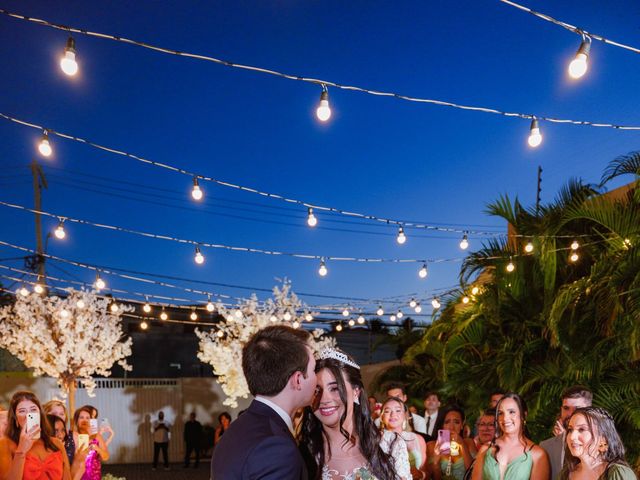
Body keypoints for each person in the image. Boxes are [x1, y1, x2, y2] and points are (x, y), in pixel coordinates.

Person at [211, 325, 318, 479]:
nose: (317, 379)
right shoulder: (276, 448)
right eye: (314, 370)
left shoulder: (238, 427)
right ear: (298, 380)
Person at [300, 348, 410, 480]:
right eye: (316, 390)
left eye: (335, 388)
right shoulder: (303, 453)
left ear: (356, 392)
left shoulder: (390, 445)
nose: (324, 399)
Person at [0, 390, 86, 480]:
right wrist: (21, 450)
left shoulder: (56, 443)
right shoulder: (5, 444)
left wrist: (77, 463)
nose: (28, 415)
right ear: (15, 419)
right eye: (22, 411)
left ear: (40, 414)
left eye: (33, 410)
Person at [471, 393, 549, 480]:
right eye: (501, 413)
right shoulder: (485, 449)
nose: (505, 418)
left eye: (511, 412)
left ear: (524, 415)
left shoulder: (538, 454)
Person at [560, 407, 636, 480]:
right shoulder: (565, 474)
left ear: (603, 439)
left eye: (582, 429)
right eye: (570, 430)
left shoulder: (617, 473)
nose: (572, 437)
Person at [540, 386, 592, 480]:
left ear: (590, 410)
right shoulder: (545, 447)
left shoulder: (601, 446)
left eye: (577, 408)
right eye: (566, 408)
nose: (570, 414)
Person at [380, 396, 427, 479]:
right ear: (382, 416)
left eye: (398, 410)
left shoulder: (418, 439)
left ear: (405, 414)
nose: (393, 414)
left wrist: (420, 474)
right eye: (387, 411)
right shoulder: (376, 440)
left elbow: (427, 472)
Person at [427, 405, 477, 480]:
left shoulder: (469, 442)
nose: (451, 427)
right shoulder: (431, 445)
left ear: (462, 425)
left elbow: (473, 474)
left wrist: (462, 444)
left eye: (456, 422)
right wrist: (436, 464)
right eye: (447, 422)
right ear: (442, 425)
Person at [74, 405, 109, 480]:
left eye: (87, 418)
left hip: (94, 477)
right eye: (81, 417)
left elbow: (106, 456)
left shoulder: (96, 436)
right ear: (77, 420)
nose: (84, 420)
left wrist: (97, 449)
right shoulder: (72, 436)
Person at [43, 400, 75, 465]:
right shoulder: (40, 436)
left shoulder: (73, 436)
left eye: (61, 414)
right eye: (54, 414)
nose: (58, 416)